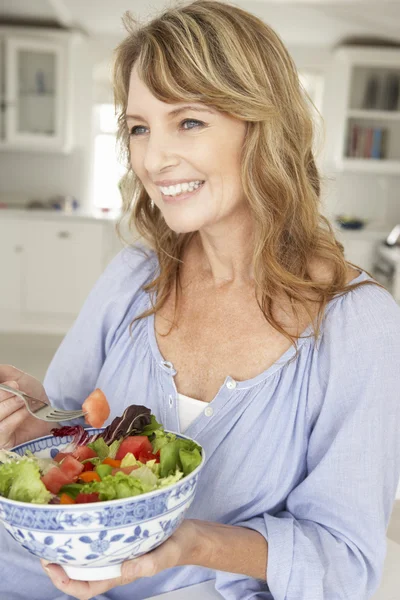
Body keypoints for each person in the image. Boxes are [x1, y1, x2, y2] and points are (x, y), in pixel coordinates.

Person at [1, 1, 400, 599]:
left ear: (261, 125)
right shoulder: (135, 274)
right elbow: (69, 442)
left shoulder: (358, 324)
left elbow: (344, 563)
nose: (154, 159)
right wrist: (32, 425)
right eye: (139, 127)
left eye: (188, 121)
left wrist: (193, 543)